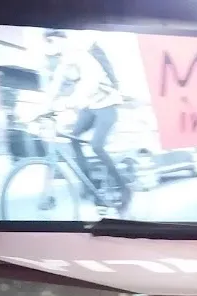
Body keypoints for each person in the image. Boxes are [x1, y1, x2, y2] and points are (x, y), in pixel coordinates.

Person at [40, 28, 132, 216]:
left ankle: (125, 189)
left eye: (51, 40)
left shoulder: (82, 55)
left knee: (96, 145)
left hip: (107, 105)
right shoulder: (63, 63)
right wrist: (40, 110)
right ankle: (90, 185)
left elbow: (90, 82)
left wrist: (69, 102)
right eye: (47, 42)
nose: (50, 45)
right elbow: (54, 88)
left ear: (61, 39)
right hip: (90, 107)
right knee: (73, 138)